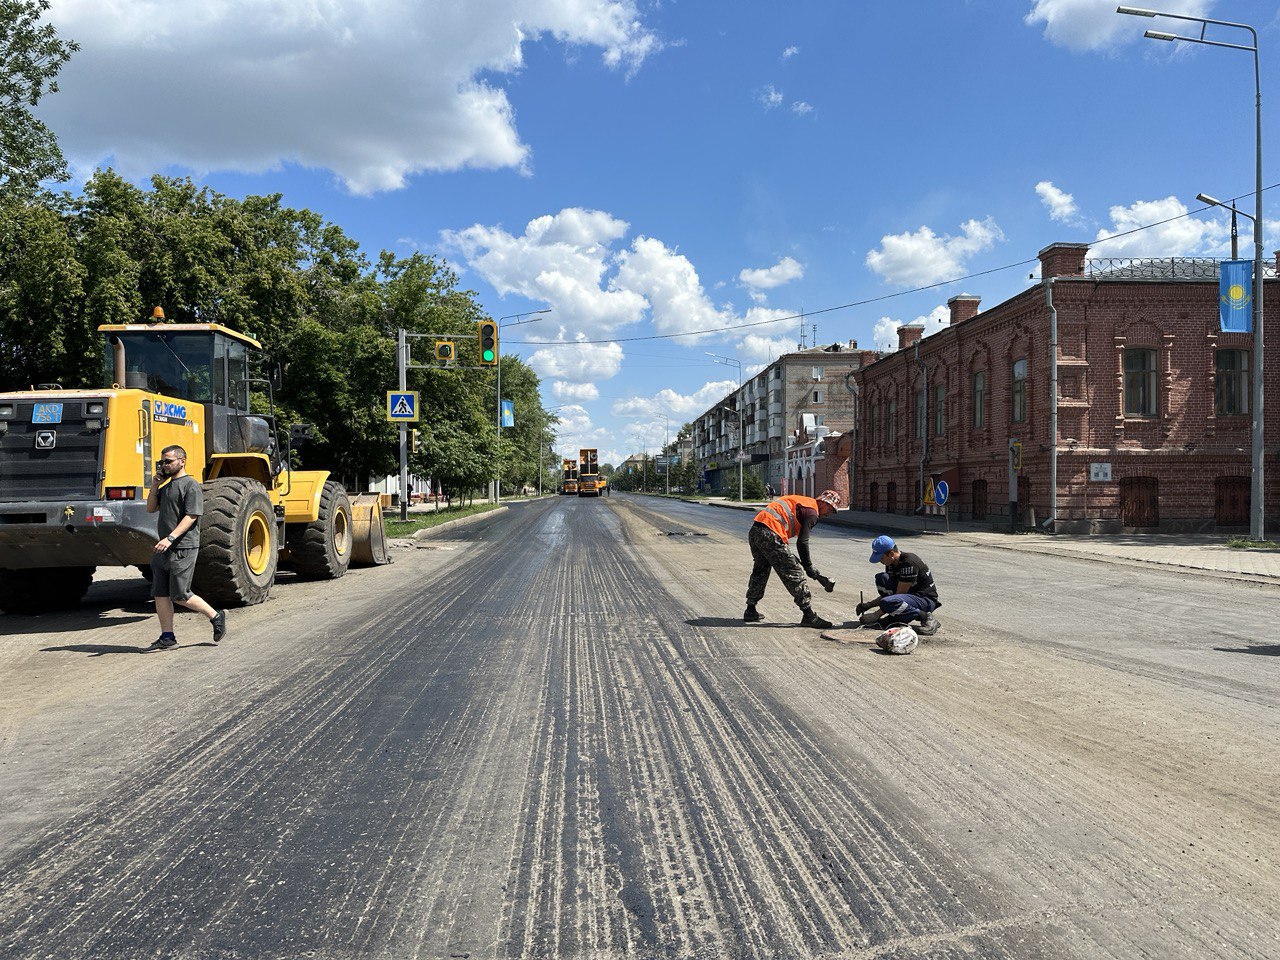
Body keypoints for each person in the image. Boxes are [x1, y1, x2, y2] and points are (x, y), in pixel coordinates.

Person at [141, 445, 227, 651]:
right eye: (162, 462)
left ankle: (216, 616)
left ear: (182, 461)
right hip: (163, 548)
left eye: (168, 461)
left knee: (180, 595)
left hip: (183, 546)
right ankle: (167, 637)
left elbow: (192, 516)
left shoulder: (191, 485)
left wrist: (170, 538)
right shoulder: (166, 487)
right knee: (160, 594)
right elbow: (151, 508)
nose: (164, 465)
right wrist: (154, 486)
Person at [744, 489, 841, 628]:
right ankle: (809, 615)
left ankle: (750, 609)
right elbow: (802, 542)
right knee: (794, 572)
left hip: (756, 531)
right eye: (831, 510)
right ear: (824, 503)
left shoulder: (804, 501)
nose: (829, 514)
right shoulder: (812, 512)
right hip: (771, 533)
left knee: (761, 569)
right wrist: (808, 567)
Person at [855, 535, 940, 636]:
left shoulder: (908, 563)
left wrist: (876, 615)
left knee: (888, 602)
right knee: (882, 578)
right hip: (908, 598)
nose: (880, 561)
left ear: (891, 553)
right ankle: (894, 618)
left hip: (925, 600)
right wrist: (868, 605)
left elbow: (898, 595)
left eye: (881, 558)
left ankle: (926, 617)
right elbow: (892, 594)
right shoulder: (891, 565)